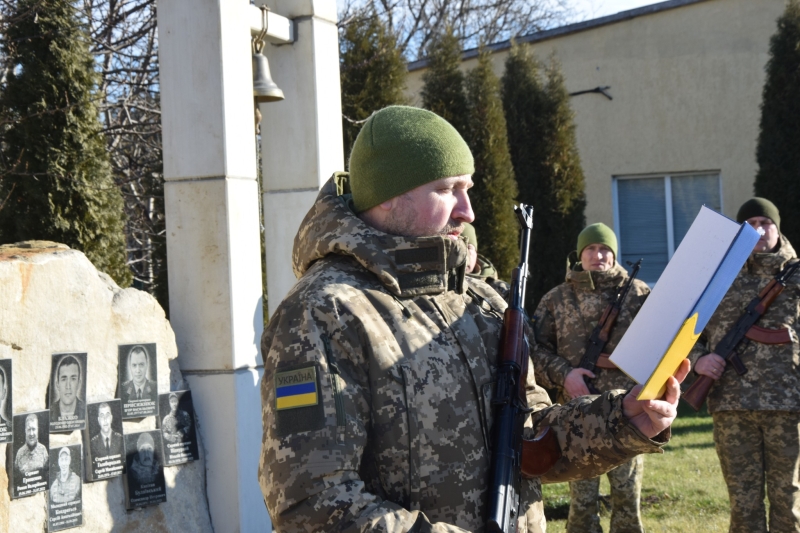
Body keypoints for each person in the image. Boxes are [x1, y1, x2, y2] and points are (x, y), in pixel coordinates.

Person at [258, 105, 688, 533]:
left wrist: (625, 419)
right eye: (448, 190)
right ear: (387, 197)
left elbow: (531, 436)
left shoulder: (478, 300)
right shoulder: (323, 312)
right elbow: (312, 505)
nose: (469, 211)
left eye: (469, 189)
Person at [532, 223, 651, 533]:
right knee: (582, 504)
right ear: (579, 255)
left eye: (604, 249)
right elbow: (534, 351)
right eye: (590, 249)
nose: (598, 255)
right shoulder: (556, 298)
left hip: (628, 411)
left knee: (627, 499)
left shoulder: (638, 294)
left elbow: (659, 344)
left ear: (613, 254)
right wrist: (565, 375)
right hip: (576, 414)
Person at [691, 198, 800, 533]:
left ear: (777, 228)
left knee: (789, 502)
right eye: (750, 224)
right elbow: (685, 333)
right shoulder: (717, 279)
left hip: (787, 406)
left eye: (765, 223)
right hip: (731, 407)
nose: (758, 230)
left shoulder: (796, 276)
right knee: (743, 502)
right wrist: (699, 361)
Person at [50, 355, 85, 422]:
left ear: (79, 384)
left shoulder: (85, 411)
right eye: (64, 379)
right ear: (57, 384)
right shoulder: (49, 412)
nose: (68, 386)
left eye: (73, 379)